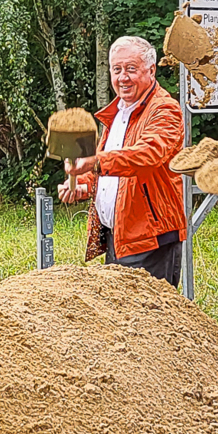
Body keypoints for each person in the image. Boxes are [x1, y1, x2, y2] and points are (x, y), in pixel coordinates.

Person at [60, 36, 189, 286]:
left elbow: (147, 154)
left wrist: (93, 163)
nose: (123, 78)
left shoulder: (165, 109)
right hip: (118, 238)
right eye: (117, 70)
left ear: (151, 70)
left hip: (151, 241)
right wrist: (84, 184)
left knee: (149, 321)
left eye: (131, 69)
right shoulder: (118, 111)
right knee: (122, 321)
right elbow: (110, 167)